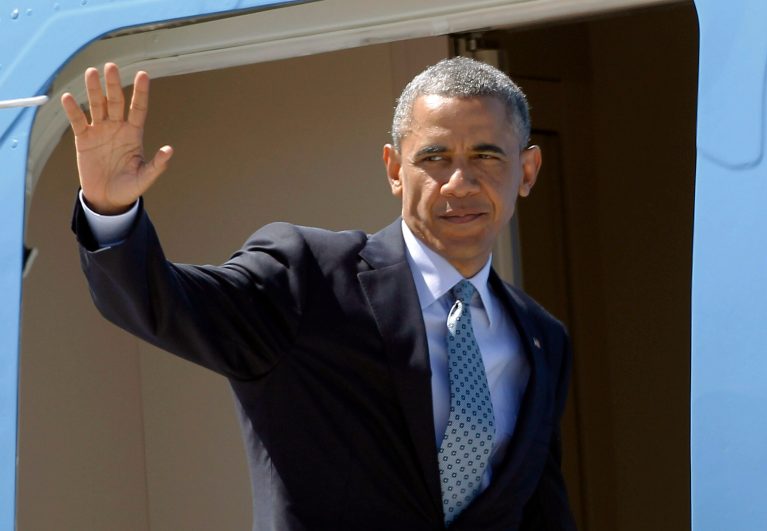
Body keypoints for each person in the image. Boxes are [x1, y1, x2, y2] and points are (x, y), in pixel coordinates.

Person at [63, 57, 575, 530]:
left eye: (485, 156)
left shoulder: (540, 338)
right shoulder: (308, 278)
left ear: (526, 171)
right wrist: (110, 213)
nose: (459, 182)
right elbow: (165, 305)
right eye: (435, 157)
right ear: (396, 170)